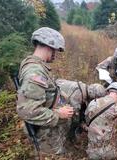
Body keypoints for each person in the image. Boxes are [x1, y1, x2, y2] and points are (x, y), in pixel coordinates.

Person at [16, 27, 74, 157]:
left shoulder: (37, 66)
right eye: (56, 50)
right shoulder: (35, 72)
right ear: (49, 47)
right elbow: (27, 110)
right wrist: (58, 114)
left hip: (48, 130)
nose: (56, 54)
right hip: (44, 135)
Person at [85, 82, 117, 159]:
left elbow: (87, 121)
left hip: (92, 152)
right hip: (109, 153)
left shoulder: (93, 103)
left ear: (108, 92)